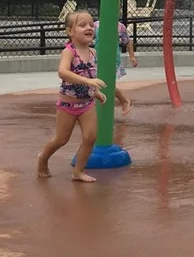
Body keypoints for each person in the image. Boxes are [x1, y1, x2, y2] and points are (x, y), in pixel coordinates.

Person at [37, 10, 107, 183]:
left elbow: (89, 77)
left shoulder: (93, 53)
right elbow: (63, 72)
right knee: (61, 139)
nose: (89, 27)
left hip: (86, 104)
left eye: (91, 24)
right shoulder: (69, 52)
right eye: (82, 25)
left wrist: (96, 91)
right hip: (67, 106)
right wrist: (87, 81)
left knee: (90, 137)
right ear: (70, 31)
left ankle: (78, 171)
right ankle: (43, 158)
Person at [94, 19, 137, 115]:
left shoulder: (120, 26)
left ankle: (124, 101)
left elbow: (128, 42)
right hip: (98, 58)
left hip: (112, 59)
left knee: (106, 83)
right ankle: (99, 107)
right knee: (98, 83)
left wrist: (132, 56)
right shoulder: (96, 24)